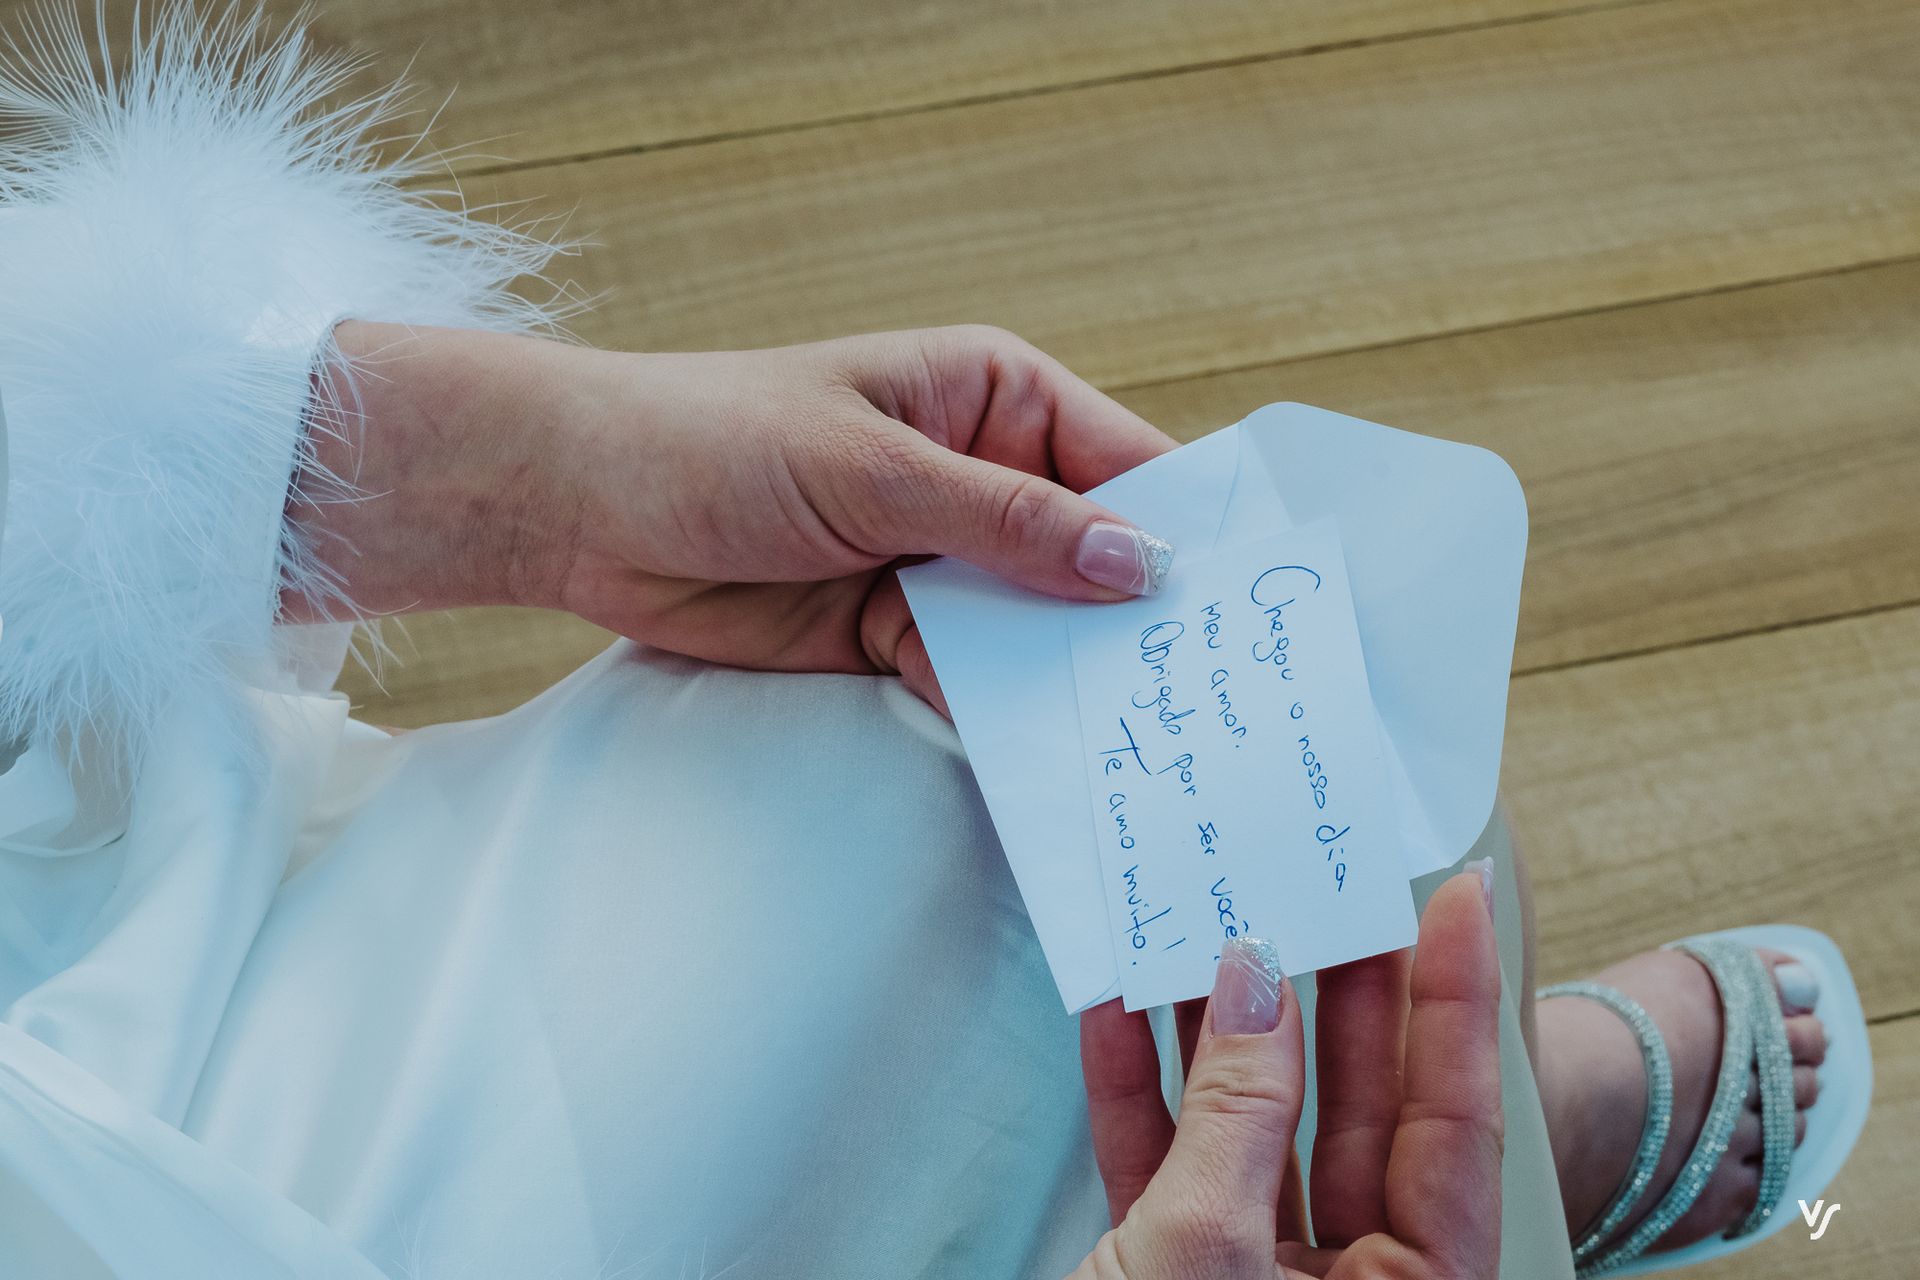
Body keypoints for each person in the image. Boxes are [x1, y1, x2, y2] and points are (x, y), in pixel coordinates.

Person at [0, 9, 1844, 1278]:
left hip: (108, 929)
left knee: (1058, 763)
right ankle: (1484, 1163)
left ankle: (1450, 1123)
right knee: (1045, 900)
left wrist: (508, 477)